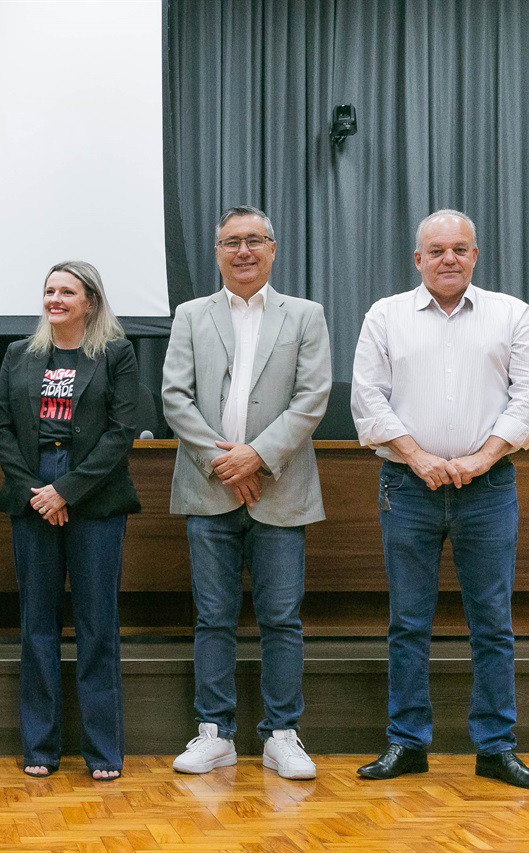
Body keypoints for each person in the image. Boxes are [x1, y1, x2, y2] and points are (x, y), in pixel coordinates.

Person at [351, 209, 529, 790]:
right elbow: (369, 399)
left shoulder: (511, 313)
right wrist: (420, 458)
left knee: (492, 624)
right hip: (407, 488)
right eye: (436, 250)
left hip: (487, 488)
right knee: (407, 622)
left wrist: (479, 458)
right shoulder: (385, 316)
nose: (448, 259)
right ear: (418, 259)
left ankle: (495, 748)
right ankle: (407, 744)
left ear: (475, 255)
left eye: (460, 249)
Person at [162, 205, 331, 780]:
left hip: (280, 489)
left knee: (281, 617)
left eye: (254, 240)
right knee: (213, 616)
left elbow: (311, 399)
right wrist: (225, 462)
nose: (243, 251)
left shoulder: (305, 315)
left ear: (273, 248)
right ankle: (216, 732)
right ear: (217, 252)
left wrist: (256, 457)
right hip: (209, 488)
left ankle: (283, 734)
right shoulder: (190, 314)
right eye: (231, 242)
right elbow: (174, 399)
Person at [0, 261, 139, 781]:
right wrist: (38, 492)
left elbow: (122, 432)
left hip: (93, 496)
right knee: (37, 626)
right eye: (49, 291)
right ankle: (40, 748)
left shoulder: (116, 354)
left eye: (67, 292)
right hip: (33, 492)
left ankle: (103, 753)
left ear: (90, 302)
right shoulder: (18, 355)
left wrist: (66, 490)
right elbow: (1, 427)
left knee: (98, 627)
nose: (55, 300)